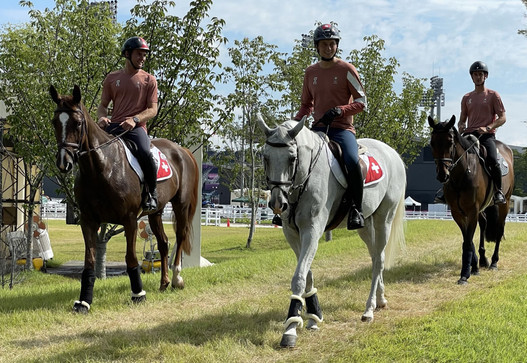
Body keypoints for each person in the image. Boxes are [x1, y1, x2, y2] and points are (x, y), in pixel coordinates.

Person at [294, 23, 367, 229]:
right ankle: (287, 207)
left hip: (342, 130)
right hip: (317, 130)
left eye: (332, 44)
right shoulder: (310, 72)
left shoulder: (347, 69)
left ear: (337, 46)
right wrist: (294, 124)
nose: (328, 48)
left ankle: (356, 209)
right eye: (324, 44)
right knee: (295, 157)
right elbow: (306, 105)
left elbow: (362, 102)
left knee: (352, 161)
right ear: (317, 47)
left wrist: (340, 110)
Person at [97, 36, 159, 212]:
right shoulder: (111, 78)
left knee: (146, 153)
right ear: (127, 54)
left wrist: (135, 119)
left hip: (136, 129)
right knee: (89, 149)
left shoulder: (149, 80)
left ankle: (151, 194)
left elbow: (153, 110)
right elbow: (102, 106)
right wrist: (102, 118)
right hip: (114, 126)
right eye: (139, 54)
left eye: (144, 55)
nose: (142, 58)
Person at [458, 61, 506, 204]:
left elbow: (503, 118)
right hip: (469, 134)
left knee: (492, 158)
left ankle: (498, 191)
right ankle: (446, 191)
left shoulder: (493, 95)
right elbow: (462, 119)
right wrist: (461, 126)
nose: (478, 77)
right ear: (472, 77)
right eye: (475, 74)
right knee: (454, 156)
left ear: (485, 76)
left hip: (486, 135)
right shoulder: (466, 98)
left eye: (481, 74)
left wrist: (488, 127)